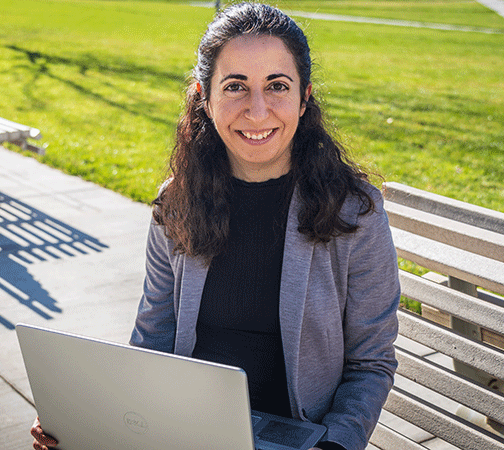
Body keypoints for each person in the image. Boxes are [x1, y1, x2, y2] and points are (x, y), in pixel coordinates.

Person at [31, 3, 400, 450]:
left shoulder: (354, 213)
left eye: (277, 86)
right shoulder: (176, 201)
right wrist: (98, 420)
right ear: (205, 97)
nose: (258, 110)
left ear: (304, 98)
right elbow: (153, 338)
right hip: (182, 432)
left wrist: (335, 444)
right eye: (236, 87)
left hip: (300, 438)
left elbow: (370, 364)